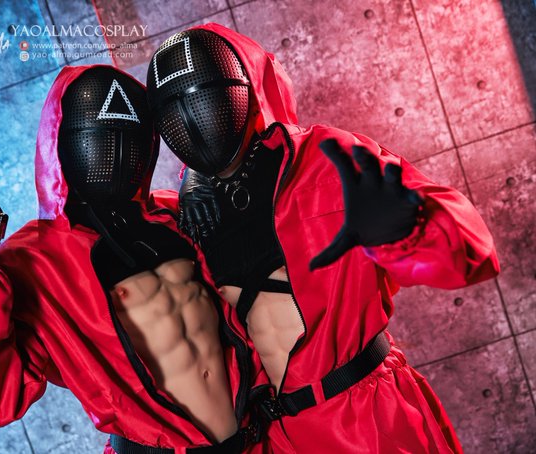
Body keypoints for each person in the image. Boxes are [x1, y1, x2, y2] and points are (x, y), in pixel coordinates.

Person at [146, 23, 500, 453]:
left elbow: (469, 250)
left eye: (205, 99)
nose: (194, 119)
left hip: (370, 422)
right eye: (175, 112)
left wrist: (407, 228)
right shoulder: (188, 217)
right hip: (280, 437)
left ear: (243, 88)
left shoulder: (324, 161)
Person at [0, 64, 265, 454]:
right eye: (97, 137)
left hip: (256, 440)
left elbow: (262, 261)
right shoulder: (33, 262)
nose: (114, 151)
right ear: (61, 140)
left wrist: (203, 176)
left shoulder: (172, 215)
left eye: (129, 137)